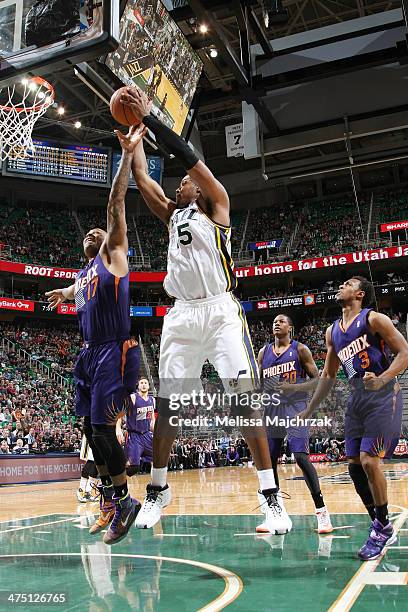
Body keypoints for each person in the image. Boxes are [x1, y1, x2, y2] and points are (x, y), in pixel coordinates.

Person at [119, 85, 291, 535]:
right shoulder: (172, 215)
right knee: (168, 408)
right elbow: (143, 180)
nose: (181, 183)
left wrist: (149, 117)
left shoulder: (217, 206)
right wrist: (133, 141)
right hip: (179, 316)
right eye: (179, 181)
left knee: (244, 402)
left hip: (219, 313)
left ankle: (269, 496)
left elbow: (184, 152)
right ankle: (158, 490)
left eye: (186, 180)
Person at [45, 125, 145, 545]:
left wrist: (126, 155)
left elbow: (115, 202)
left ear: (111, 242)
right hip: (88, 355)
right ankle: (107, 498)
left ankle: (124, 499)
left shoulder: (114, 257)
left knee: (103, 429)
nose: (92, 233)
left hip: (113, 350)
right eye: (87, 234)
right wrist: (62, 293)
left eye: (98, 232)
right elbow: (73, 289)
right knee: (88, 429)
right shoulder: (83, 274)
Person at [301, 276, 408, 560]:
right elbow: (328, 375)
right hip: (356, 400)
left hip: (384, 395)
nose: (340, 286)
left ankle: (382, 528)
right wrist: (309, 411)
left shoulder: (374, 319)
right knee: (353, 466)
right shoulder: (332, 331)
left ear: (359, 294)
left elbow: (404, 352)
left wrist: (384, 377)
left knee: (369, 459)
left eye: (347, 283)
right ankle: (381, 524)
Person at [258, 314, 332, 534]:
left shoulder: (300, 350)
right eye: (274, 321)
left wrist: (292, 388)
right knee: (269, 462)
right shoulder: (263, 352)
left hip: (295, 408)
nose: (276, 323)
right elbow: (259, 383)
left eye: (281, 321)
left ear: (290, 327)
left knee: (300, 456)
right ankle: (274, 513)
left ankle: (322, 512)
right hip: (272, 410)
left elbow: (317, 381)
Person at [116, 377, 155, 477]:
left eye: (145, 383)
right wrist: (118, 429)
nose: (143, 384)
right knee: (134, 468)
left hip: (146, 434)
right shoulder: (133, 398)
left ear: (148, 385)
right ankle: (115, 479)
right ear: (138, 385)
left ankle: (155, 486)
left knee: (158, 459)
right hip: (134, 435)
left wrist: (157, 432)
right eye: (141, 383)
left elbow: (152, 420)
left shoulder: (152, 400)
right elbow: (120, 413)